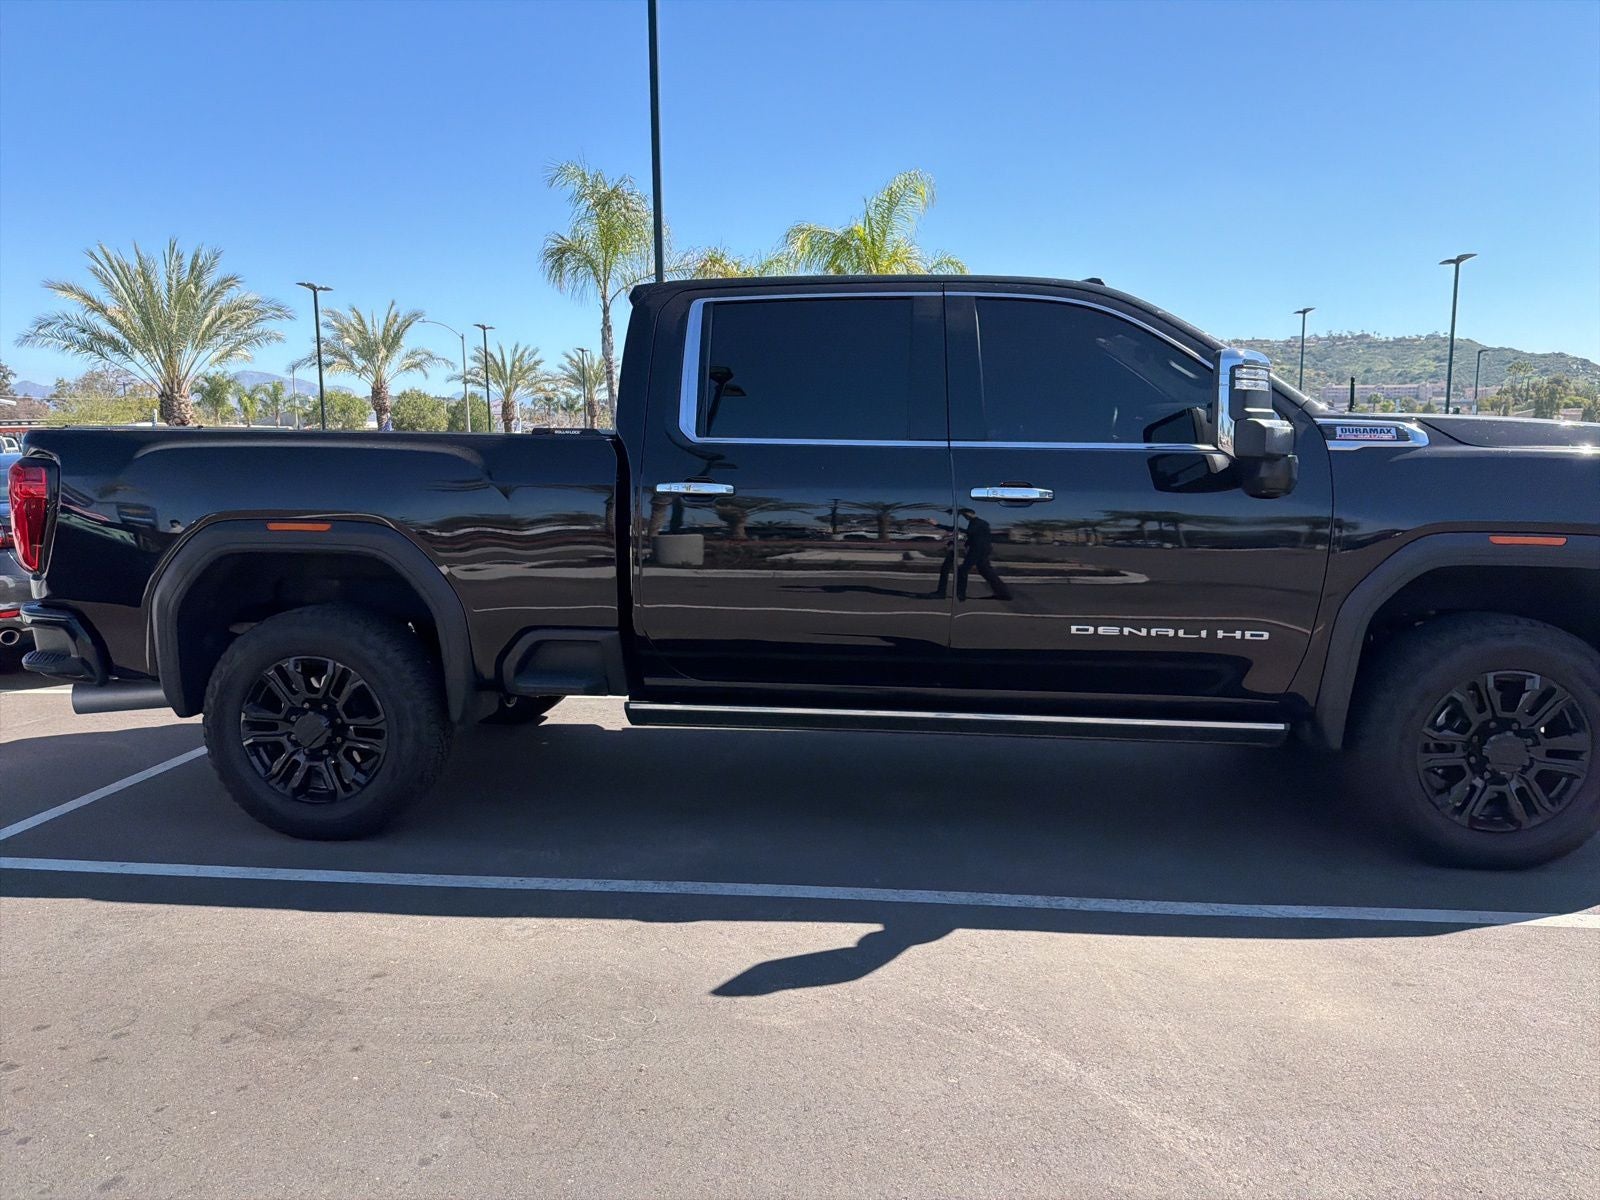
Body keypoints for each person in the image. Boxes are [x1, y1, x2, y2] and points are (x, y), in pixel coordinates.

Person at [934, 508, 1013, 601]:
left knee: (963, 570)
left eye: (965, 514)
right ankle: (1004, 594)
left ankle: (960, 595)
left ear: (970, 513)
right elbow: (974, 536)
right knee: (986, 571)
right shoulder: (976, 523)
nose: (965, 517)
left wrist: (939, 525)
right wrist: (967, 545)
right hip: (980, 550)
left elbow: (970, 533)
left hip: (978, 550)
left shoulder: (979, 523)